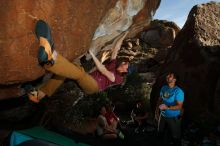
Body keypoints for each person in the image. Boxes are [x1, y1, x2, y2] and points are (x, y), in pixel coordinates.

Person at [25, 20, 129, 103]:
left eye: (127, 66)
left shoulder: (118, 78)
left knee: (80, 74)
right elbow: (116, 49)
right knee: (66, 72)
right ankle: (38, 95)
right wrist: (124, 35)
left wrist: (92, 54)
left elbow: (102, 70)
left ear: (125, 71)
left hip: (94, 86)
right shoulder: (114, 65)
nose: (126, 63)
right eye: (126, 63)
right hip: (91, 79)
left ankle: (50, 58)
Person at [155, 72, 184, 145]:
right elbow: (160, 99)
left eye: (170, 76)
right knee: (159, 131)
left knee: (176, 136)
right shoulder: (164, 88)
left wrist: (167, 107)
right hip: (163, 115)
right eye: (167, 75)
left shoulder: (178, 91)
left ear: (174, 80)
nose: (167, 76)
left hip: (173, 116)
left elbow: (179, 106)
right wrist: (156, 111)